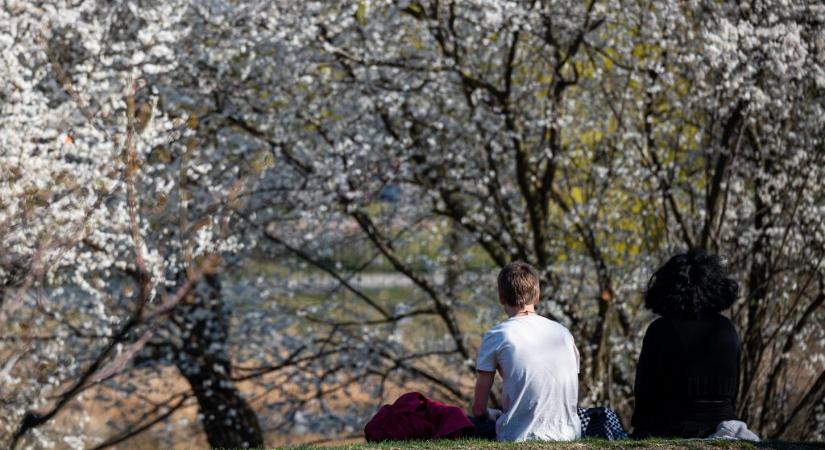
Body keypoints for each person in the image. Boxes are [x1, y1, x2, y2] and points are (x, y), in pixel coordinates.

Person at [632, 249, 741, 438]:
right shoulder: (727, 328)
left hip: (669, 426)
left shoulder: (661, 330)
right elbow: (733, 391)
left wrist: (640, 429)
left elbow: (644, 392)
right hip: (722, 426)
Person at [471, 261, 582, 441]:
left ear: (501, 298)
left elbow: (478, 409)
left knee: (471, 422)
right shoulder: (564, 334)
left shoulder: (497, 335)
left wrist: (488, 413)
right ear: (537, 296)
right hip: (569, 433)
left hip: (518, 435)